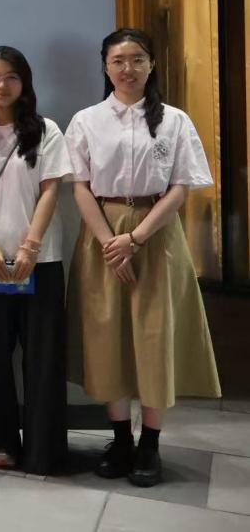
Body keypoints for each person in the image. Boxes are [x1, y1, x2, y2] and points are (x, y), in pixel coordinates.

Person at [65, 28, 220, 487]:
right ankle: (120, 440)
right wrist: (110, 243)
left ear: (151, 65)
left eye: (137, 59)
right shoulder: (87, 120)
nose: (127, 69)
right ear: (105, 66)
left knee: (155, 335)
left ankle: (149, 443)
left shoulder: (174, 120)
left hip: (157, 234)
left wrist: (135, 238)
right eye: (118, 60)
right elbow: (80, 187)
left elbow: (181, 187)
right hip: (102, 235)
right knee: (107, 335)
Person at [0, 46, 72, 474]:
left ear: (24, 83)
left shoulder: (46, 131)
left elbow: (50, 189)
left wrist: (30, 246)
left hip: (40, 263)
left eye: (10, 77)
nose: (1, 85)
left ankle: (44, 449)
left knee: (43, 358)